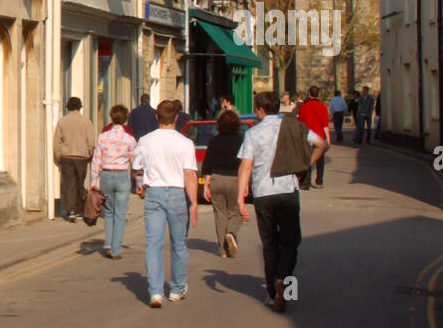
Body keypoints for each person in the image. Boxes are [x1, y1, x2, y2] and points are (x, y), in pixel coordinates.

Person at [238, 90, 327, 312]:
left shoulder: (253, 134)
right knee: (291, 241)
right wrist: (305, 165)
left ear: (259, 110)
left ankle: (272, 293)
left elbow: (246, 166)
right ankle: (284, 284)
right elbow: (321, 144)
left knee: (269, 244)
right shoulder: (294, 127)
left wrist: (240, 197)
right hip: (288, 190)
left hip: (262, 193)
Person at [132, 100, 199, 307]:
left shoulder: (145, 140)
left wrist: (140, 183)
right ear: (177, 118)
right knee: (178, 244)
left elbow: (137, 167)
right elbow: (189, 174)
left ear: (157, 117)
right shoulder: (185, 143)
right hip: (177, 193)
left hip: (154, 192)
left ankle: (155, 292)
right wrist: (194, 203)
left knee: (154, 244)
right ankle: (177, 289)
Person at [89, 105, 137, 258]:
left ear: (111, 117)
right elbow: (135, 162)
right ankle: (116, 248)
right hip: (122, 175)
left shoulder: (103, 137)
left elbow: (97, 160)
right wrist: (140, 183)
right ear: (126, 119)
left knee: (108, 212)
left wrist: (93, 181)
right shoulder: (129, 139)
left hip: (106, 175)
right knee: (120, 213)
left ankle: (108, 243)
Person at [203, 108, 245, 257]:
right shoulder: (241, 140)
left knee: (220, 214)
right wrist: (246, 184)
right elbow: (245, 164)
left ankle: (222, 250)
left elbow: (208, 163)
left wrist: (206, 185)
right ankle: (232, 233)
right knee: (236, 210)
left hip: (217, 178)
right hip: (235, 178)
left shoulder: (214, 140)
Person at [53, 97, 95, 220]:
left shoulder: (62, 121)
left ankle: (70, 210)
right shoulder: (86, 122)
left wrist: (58, 156)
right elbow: (91, 141)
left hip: (67, 156)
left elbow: (57, 141)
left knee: (69, 184)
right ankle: (78, 209)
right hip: (81, 156)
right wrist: (88, 152)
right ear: (80, 107)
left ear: (68, 107)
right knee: (79, 183)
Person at [296, 86, 331, 189]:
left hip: (307, 135)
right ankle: (319, 180)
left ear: (309, 94)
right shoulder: (322, 106)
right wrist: (328, 138)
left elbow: (300, 122)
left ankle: (306, 182)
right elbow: (325, 124)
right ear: (318, 94)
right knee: (320, 158)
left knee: (307, 159)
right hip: (319, 136)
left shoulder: (303, 107)